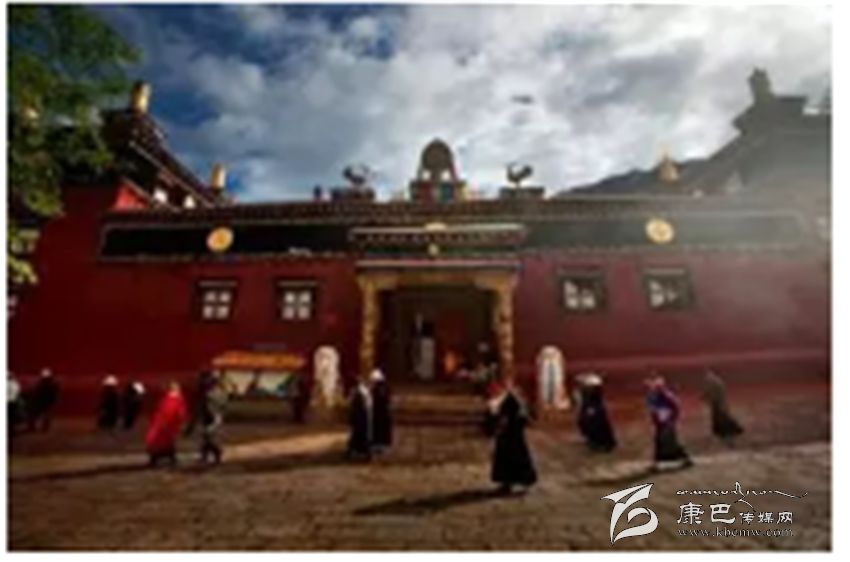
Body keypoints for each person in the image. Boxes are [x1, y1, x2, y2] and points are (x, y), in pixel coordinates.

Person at [490, 381, 537, 494]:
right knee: (509, 458)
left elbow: (515, 414)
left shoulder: (512, 397)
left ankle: (519, 481)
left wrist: (502, 422)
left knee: (515, 457)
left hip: (512, 433)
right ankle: (509, 482)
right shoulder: (508, 396)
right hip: (510, 433)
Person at [645, 374, 692, 471]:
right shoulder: (654, 396)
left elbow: (675, 408)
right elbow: (654, 410)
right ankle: (657, 463)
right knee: (660, 442)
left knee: (671, 442)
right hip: (661, 423)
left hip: (667, 423)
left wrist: (670, 421)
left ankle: (685, 459)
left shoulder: (666, 396)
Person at [145, 381, 188, 467]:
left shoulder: (166, 399)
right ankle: (168, 458)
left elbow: (159, 410)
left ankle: (156, 458)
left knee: (159, 442)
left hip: (163, 423)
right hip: (169, 423)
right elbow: (180, 412)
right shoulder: (177, 399)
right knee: (167, 441)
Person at [576, 373, 617, 452]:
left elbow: (593, 404)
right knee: (584, 422)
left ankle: (600, 443)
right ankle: (594, 441)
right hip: (591, 411)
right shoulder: (586, 395)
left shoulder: (594, 397)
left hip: (594, 412)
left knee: (594, 424)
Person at [701, 369, 744, 443]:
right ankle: (726, 432)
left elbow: (713, 393)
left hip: (718, 403)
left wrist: (706, 397)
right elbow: (710, 392)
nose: (706, 377)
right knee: (721, 418)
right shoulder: (716, 382)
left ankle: (728, 432)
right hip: (718, 403)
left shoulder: (715, 382)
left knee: (722, 418)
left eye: (708, 374)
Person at [200, 372, 228, 465]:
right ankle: (206, 456)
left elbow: (209, 407)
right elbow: (224, 406)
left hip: (212, 416)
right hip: (214, 416)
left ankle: (213, 456)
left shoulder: (210, 394)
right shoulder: (221, 393)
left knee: (210, 437)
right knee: (208, 437)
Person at [346, 378, 372, 460]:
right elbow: (369, 403)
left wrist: (351, 416)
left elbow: (351, 404)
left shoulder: (356, 391)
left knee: (357, 435)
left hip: (359, 415)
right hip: (364, 415)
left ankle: (353, 452)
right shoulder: (365, 390)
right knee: (362, 435)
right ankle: (365, 452)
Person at [369, 369, 393, 453]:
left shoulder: (379, 388)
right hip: (381, 412)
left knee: (381, 430)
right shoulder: (384, 387)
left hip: (381, 412)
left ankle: (381, 445)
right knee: (380, 430)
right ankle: (381, 445)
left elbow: (380, 399)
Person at [8, 372, 23, 438]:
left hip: (11, 402)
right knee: (11, 416)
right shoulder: (14, 384)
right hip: (12, 402)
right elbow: (18, 393)